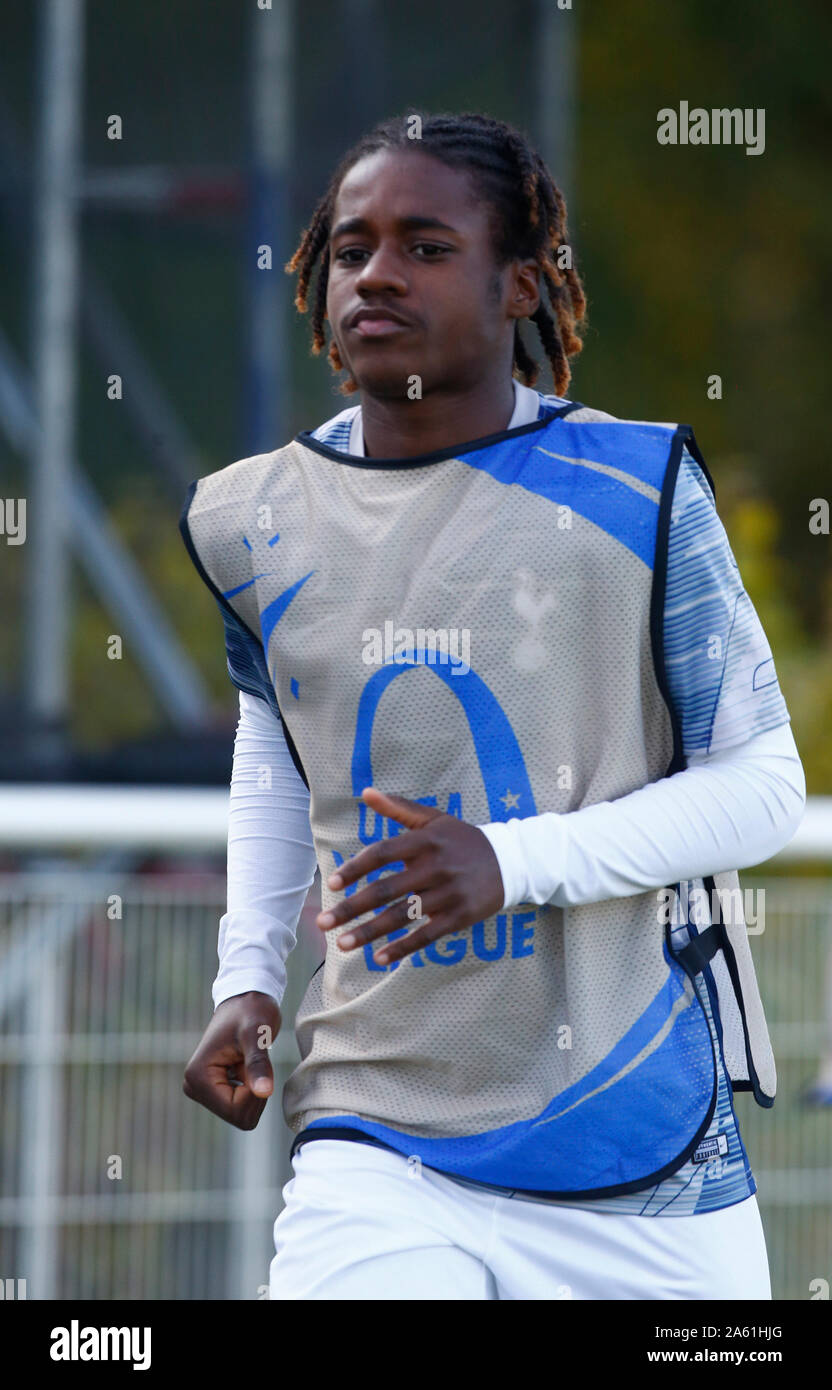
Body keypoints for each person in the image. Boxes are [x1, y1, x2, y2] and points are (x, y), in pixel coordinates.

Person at [179, 111, 806, 1300]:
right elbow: (276, 742)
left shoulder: (638, 490)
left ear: (521, 283)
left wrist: (510, 861)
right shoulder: (251, 518)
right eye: (352, 247)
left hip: (638, 1148)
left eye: (423, 245)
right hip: (378, 1133)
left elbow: (762, 783)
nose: (374, 273)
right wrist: (247, 981)